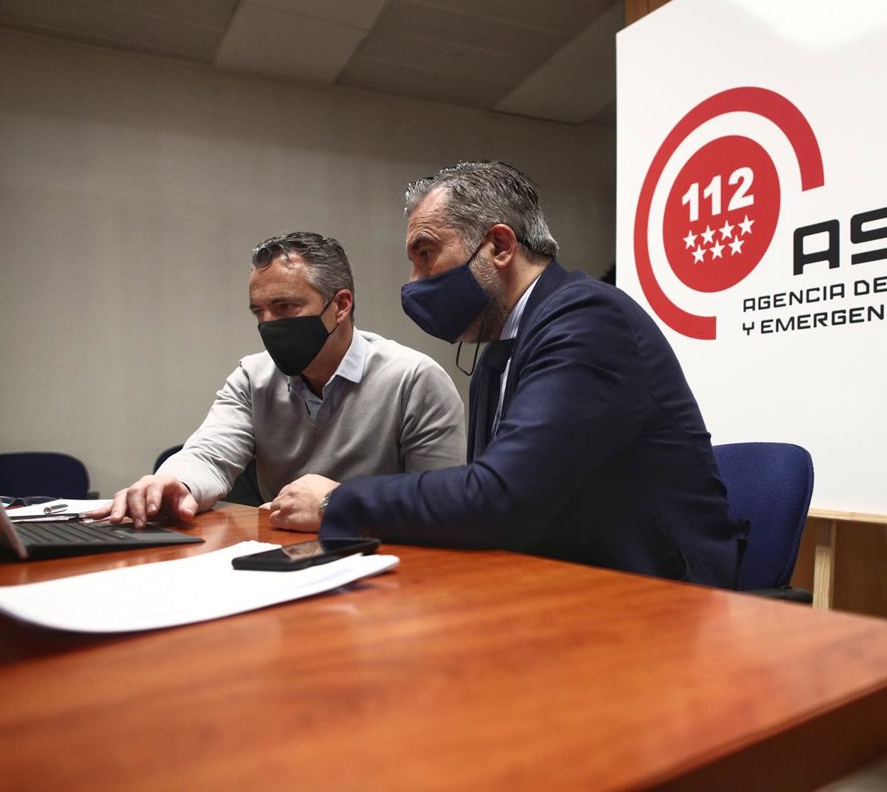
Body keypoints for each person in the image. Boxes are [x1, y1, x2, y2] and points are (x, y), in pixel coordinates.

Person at [266, 164, 746, 589]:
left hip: (663, 593)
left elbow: (498, 497)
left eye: (426, 254)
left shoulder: (588, 318)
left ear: (498, 245)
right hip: (566, 579)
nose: (414, 282)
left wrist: (337, 502)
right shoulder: (499, 351)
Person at [98, 231, 466, 527]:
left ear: (341, 305)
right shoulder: (252, 378)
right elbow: (210, 455)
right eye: (259, 312)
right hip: (282, 558)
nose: (269, 325)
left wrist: (336, 504)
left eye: (285, 307)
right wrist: (174, 482)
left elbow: (441, 506)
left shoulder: (413, 379)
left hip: (388, 561)